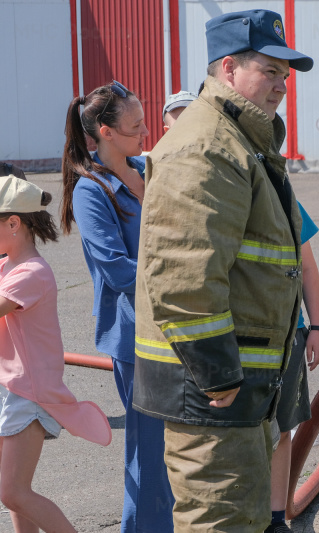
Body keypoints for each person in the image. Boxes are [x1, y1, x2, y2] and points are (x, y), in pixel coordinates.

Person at [132, 9, 313, 531]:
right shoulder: (207, 146)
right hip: (214, 389)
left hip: (238, 383)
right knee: (221, 520)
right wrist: (218, 376)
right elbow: (184, 275)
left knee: (244, 516)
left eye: (285, 74)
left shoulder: (239, 139)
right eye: (269, 71)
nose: (281, 85)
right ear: (229, 69)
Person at [61, 80, 175, 532]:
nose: (146, 133)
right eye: (134, 127)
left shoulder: (149, 168)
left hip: (176, 326)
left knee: (177, 449)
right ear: (105, 132)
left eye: (145, 122)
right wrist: (179, 284)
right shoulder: (92, 190)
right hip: (136, 334)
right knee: (149, 450)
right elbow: (117, 269)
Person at [0, 175, 111, 532]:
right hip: (13, 387)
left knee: (13, 492)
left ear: (13, 223)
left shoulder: (31, 273)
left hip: (29, 394)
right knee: (16, 493)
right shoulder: (7, 266)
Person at [267, 201, 319, 533]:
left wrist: (317, 328)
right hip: (238, 338)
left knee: (282, 429)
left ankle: (276, 519)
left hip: (289, 333)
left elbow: (306, 267)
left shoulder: (284, 196)